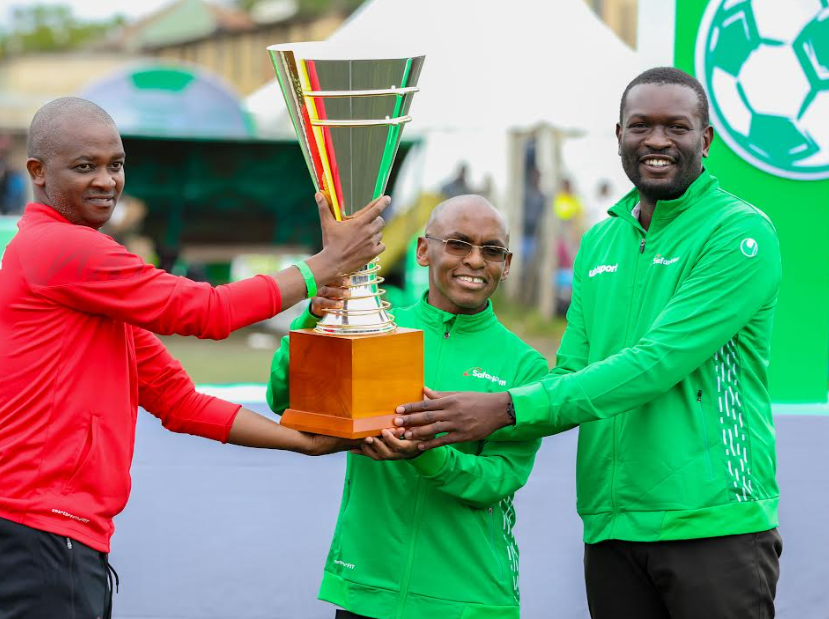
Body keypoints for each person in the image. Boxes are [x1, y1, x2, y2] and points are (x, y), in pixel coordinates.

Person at [395, 67, 783, 618]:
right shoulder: (601, 240)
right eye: (640, 125)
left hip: (712, 520)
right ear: (619, 134)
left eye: (676, 126)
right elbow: (570, 371)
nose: (656, 140)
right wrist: (439, 423)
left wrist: (505, 408)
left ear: (706, 139)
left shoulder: (738, 235)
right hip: (610, 522)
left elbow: (655, 363)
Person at [0, 97, 389, 619]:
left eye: (115, 165)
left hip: (58, 536)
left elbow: (179, 402)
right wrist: (325, 264)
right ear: (37, 173)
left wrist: (305, 443)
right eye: (84, 166)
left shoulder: (87, 284)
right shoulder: (62, 249)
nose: (106, 181)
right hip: (39, 535)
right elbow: (207, 311)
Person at [267, 195, 548, 619]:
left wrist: (428, 457)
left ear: (505, 265)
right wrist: (314, 318)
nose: (475, 260)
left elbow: (501, 477)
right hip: (367, 586)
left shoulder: (524, 364)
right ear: (423, 250)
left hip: (467, 597)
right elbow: (284, 399)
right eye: (457, 243)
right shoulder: (373, 326)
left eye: (491, 250)